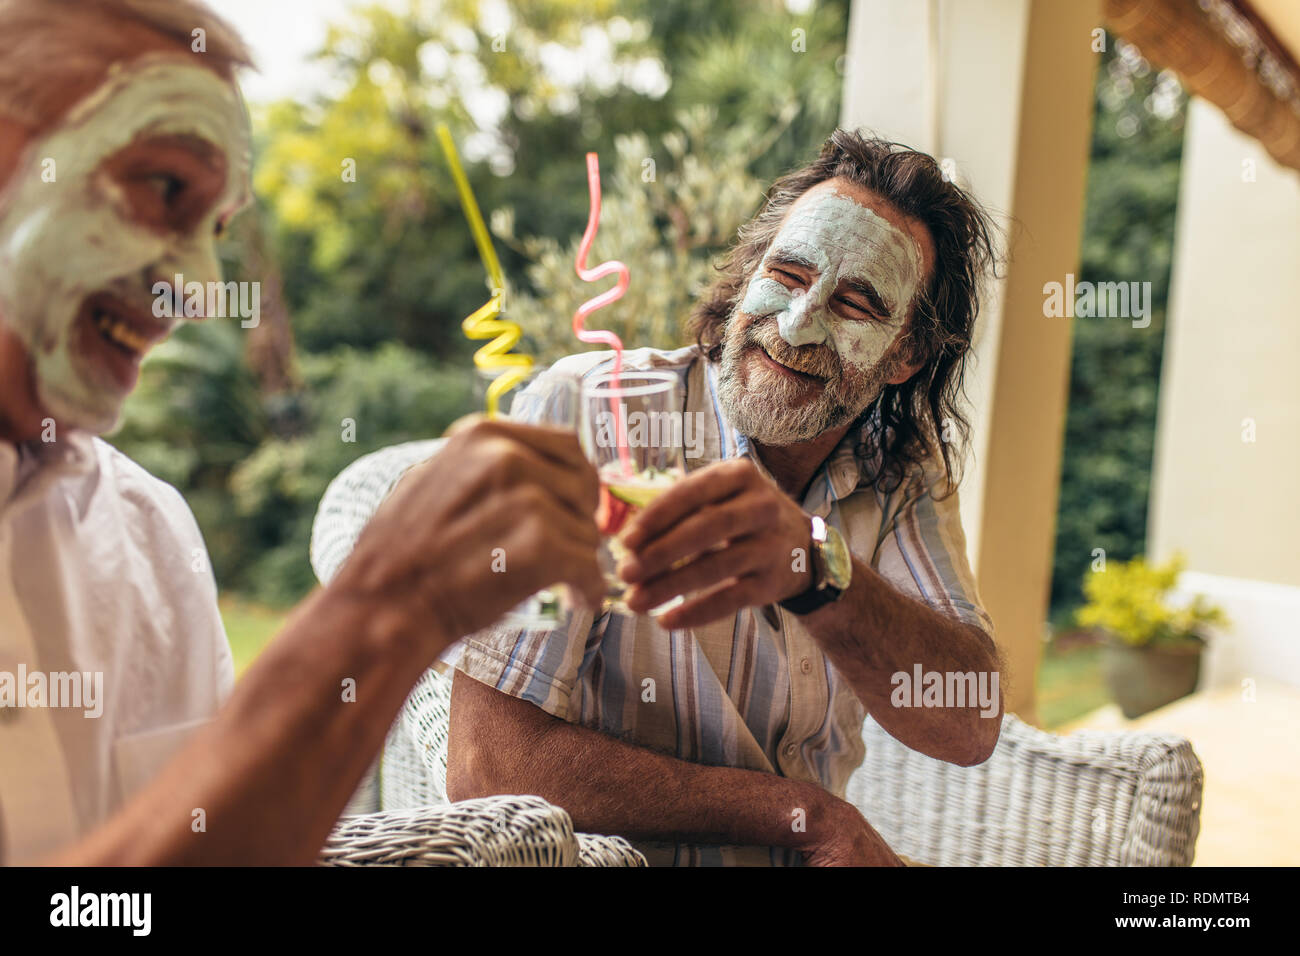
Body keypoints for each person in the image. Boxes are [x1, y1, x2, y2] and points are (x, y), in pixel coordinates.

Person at [0, 0, 603, 865]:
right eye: (165, 186)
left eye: (215, 233)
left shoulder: (151, 534)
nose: (199, 292)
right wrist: (386, 608)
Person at [329, 130, 1008, 866]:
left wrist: (817, 567)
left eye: (854, 303)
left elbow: (966, 722)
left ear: (907, 354)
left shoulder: (899, 467)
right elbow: (491, 766)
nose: (797, 323)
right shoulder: (582, 416)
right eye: (786, 272)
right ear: (750, 273)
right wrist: (802, 815)